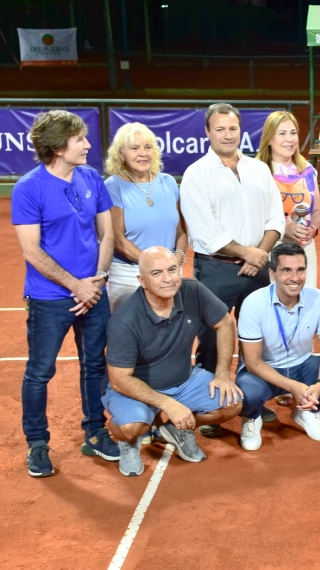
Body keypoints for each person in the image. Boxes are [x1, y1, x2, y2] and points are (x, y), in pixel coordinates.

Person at [12, 110, 120, 477]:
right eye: (80, 140)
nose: (89, 145)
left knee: (95, 365)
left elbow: (107, 234)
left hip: (94, 290)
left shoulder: (91, 177)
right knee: (40, 372)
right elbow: (31, 250)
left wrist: (99, 279)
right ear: (58, 147)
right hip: (49, 298)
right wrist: (76, 286)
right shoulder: (29, 187)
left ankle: (95, 432)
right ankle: (38, 444)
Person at [180, 103, 285, 435]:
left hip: (258, 268)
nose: (228, 135)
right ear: (208, 132)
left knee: (258, 338)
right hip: (216, 270)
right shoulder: (196, 174)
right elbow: (204, 231)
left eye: (233, 128)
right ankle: (212, 404)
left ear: (242, 131)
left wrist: (260, 254)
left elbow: (275, 218)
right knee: (212, 340)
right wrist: (249, 254)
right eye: (220, 129)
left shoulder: (258, 169)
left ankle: (254, 401)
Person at [102, 247, 243, 476]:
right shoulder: (125, 320)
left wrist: (223, 374)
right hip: (136, 389)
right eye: (156, 273)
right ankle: (127, 443)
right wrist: (169, 405)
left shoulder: (193, 291)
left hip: (184, 381)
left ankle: (175, 430)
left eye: (172, 269)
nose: (167, 279)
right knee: (131, 428)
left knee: (231, 403)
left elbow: (225, 324)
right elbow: (119, 380)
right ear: (142, 280)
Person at [235, 243, 320, 450]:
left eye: (300, 270)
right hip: (264, 370)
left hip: (303, 366)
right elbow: (252, 362)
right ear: (272, 273)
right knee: (247, 393)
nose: (295, 278)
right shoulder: (253, 303)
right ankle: (251, 417)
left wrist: (319, 384)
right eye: (286, 270)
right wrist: (293, 387)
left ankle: (308, 409)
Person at [104, 122, 188, 312]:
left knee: (169, 332)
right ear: (120, 154)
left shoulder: (169, 182)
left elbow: (181, 231)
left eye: (148, 147)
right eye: (134, 148)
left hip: (170, 273)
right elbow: (118, 240)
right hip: (129, 275)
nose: (143, 153)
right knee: (129, 336)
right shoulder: (112, 186)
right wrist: (154, 266)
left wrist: (176, 259)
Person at [256, 111, 320, 288]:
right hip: (270, 245)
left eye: (293, 133)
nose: (290, 139)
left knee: (306, 299)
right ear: (269, 138)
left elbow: (316, 210)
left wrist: (313, 229)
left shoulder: (307, 169)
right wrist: (284, 228)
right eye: (282, 133)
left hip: (304, 246)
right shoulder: (257, 170)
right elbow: (254, 213)